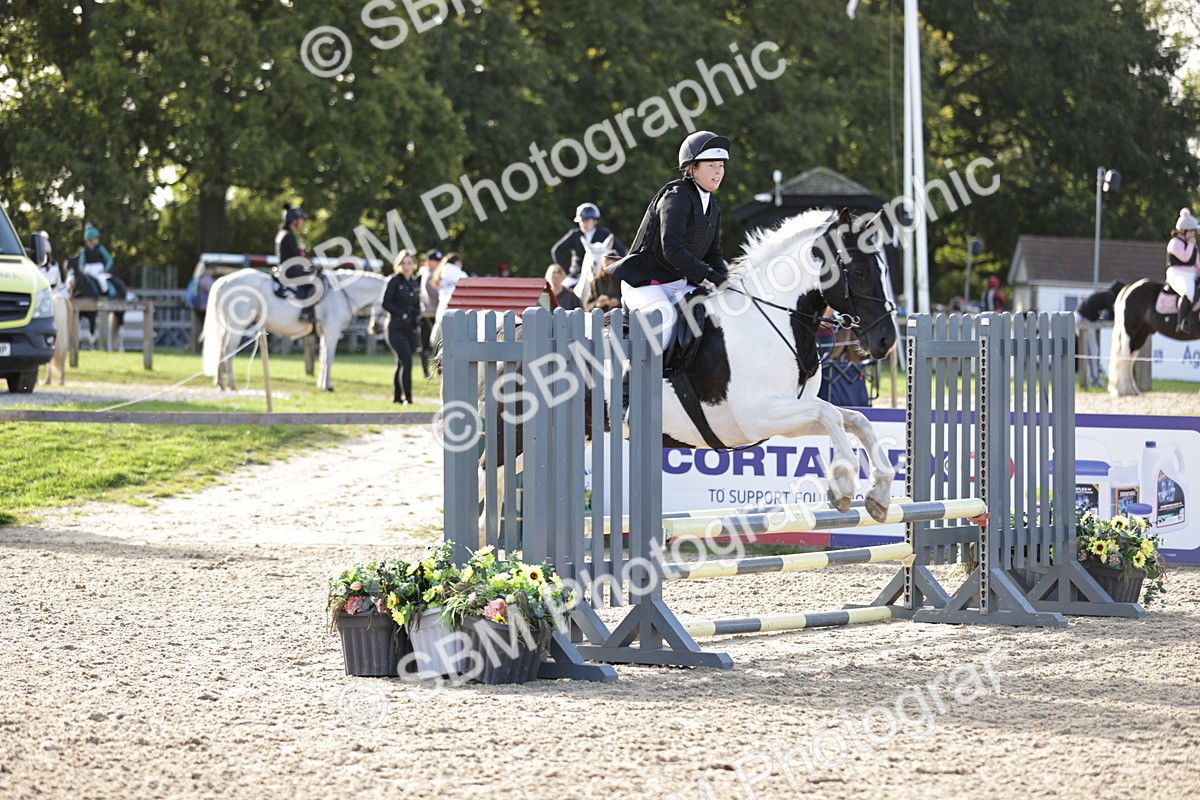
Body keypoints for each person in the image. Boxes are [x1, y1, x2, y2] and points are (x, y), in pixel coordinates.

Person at [611, 130, 731, 352]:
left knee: (716, 316)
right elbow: (673, 250)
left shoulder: (713, 206)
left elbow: (713, 254)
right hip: (646, 284)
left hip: (679, 286)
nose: (718, 171)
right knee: (664, 324)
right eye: (711, 165)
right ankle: (630, 380)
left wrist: (727, 279)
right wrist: (711, 276)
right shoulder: (676, 196)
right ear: (692, 168)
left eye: (721, 165)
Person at [382, 250, 422, 404]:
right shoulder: (394, 281)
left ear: (414, 265)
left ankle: (397, 397)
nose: (406, 266)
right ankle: (409, 398)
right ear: (398, 265)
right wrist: (402, 313)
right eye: (403, 263)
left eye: (409, 263)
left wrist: (415, 313)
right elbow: (386, 303)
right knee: (406, 360)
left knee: (401, 362)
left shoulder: (414, 283)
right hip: (395, 327)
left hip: (410, 328)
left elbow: (417, 305)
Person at [552, 203, 627, 282]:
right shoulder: (574, 235)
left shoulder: (605, 234)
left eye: (587, 221)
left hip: (601, 275)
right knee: (565, 288)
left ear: (595, 221)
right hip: (577, 276)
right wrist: (565, 272)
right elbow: (556, 250)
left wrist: (613, 267)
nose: (583, 224)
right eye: (581, 221)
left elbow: (622, 251)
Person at [1074, 280, 1125, 388]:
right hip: (1084, 320)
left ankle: (1090, 379)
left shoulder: (1105, 294)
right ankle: (1094, 380)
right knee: (1092, 351)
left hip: (1081, 318)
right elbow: (1112, 314)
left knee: (1088, 352)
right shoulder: (1109, 295)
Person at [275, 203, 319, 324]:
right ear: (294, 221)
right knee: (316, 280)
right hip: (290, 270)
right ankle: (305, 311)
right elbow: (297, 257)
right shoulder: (289, 236)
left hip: (284, 268)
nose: (302, 222)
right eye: (301, 220)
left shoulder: (282, 234)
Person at [1166, 208, 1199, 333]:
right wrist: (1191, 245)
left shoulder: (1191, 243)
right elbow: (1185, 257)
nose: (1193, 235)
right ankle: (1181, 322)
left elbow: (1196, 261)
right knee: (1188, 291)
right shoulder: (1174, 243)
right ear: (1183, 231)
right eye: (1191, 231)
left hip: (1191, 273)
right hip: (1177, 273)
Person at [430, 252, 467, 347]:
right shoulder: (459, 274)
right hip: (456, 311)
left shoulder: (440, 273)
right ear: (458, 263)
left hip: (441, 312)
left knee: (442, 343)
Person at [417, 249, 441, 377]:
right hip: (427, 313)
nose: (437, 263)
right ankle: (426, 371)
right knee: (425, 345)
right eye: (434, 261)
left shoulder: (436, 273)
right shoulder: (427, 274)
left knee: (436, 344)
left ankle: (438, 370)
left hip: (436, 313)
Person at [582, 246, 624, 311]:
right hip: (601, 318)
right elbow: (587, 306)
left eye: (611, 266)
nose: (608, 269)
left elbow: (632, 302)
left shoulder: (623, 280)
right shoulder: (596, 281)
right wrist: (597, 304)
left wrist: (619, 302)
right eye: (606, 266)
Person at [78, 224, 116, 296]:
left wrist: (105, 269)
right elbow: (81, 263)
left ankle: (106, 293)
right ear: (89, 240)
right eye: (95, 239)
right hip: (88, 270)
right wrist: (82, 271)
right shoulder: (84, 250)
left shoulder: (100, 248)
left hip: (99, 270)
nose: (97, 240)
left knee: (102, 280)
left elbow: (109, 260)